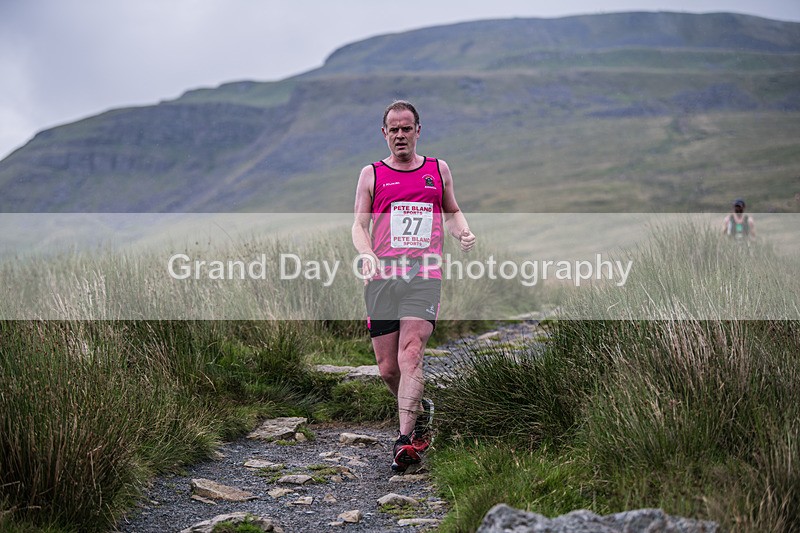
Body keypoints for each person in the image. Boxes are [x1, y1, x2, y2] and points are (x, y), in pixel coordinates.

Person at [352, 100, 476, 472]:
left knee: (411, 355)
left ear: (418, 130)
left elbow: (452, 210)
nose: (401, 134)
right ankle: (421, 413)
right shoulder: (371, 174)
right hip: (382, 278)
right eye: (394, 129)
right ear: (384, 133)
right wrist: (367, 253)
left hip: (424, 275)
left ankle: (405, 443)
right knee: (389, 368)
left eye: (407, 128)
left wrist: (463, 231)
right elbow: (359, 225)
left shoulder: (437, 170)